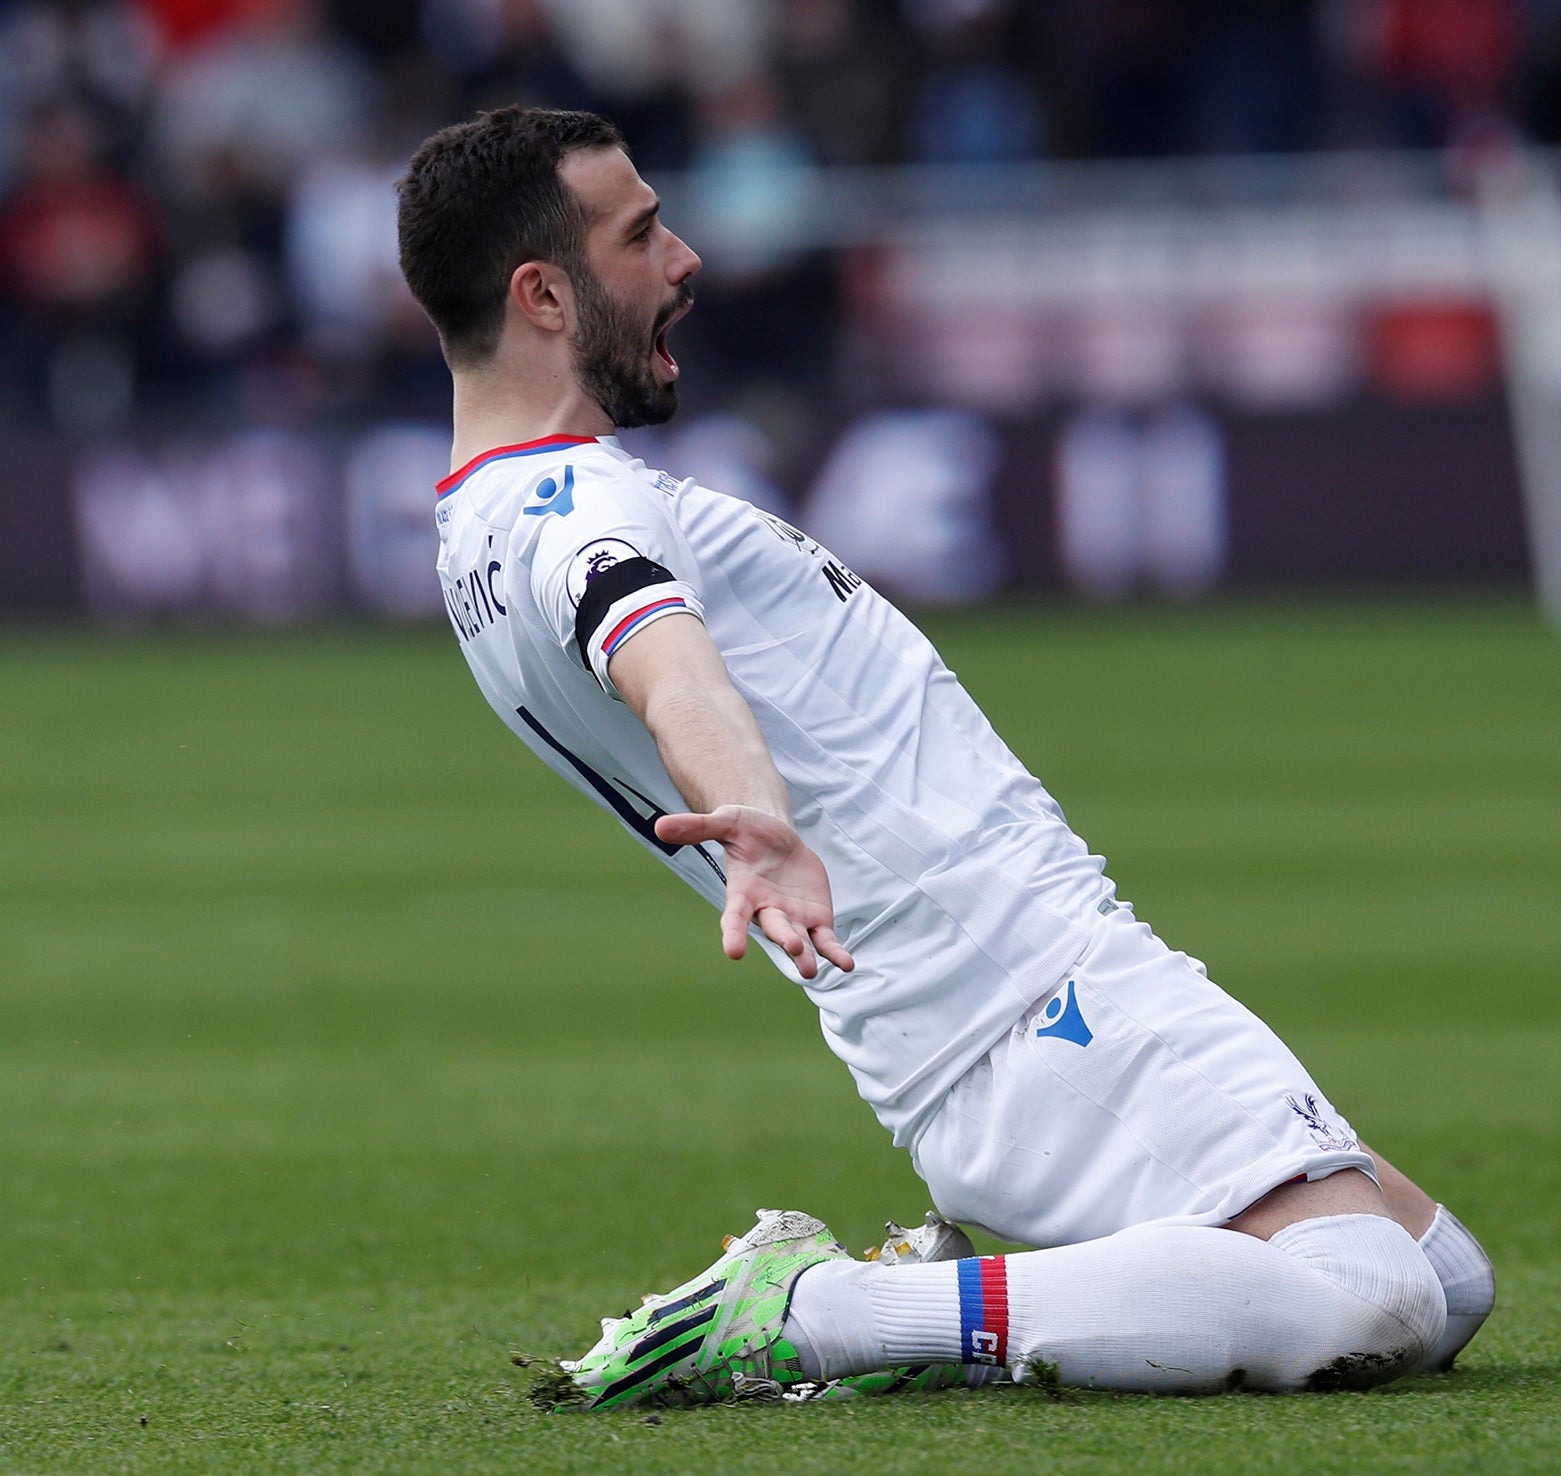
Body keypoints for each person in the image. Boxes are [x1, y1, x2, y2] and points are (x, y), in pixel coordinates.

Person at [396, 106, 1493, 1409]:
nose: (684, 258)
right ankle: (831, 1315)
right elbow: (660, 652)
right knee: (1376, 1294)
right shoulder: (581, 508)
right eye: (640, 234)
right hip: (1034, 999)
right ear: (544, 294)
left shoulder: (480, 532)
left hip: (973, 1024)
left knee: (1447, 1274)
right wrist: (749, 806)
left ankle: (959, 1301)